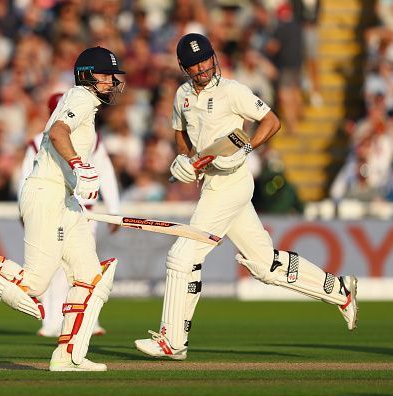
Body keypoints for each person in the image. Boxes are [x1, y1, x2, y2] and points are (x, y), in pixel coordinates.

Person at [134, 33, 358, 360]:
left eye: (207, 59)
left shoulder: (232, 91)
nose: (203, 68)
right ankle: (339, 291)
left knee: (182, 255)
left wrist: (248, 148)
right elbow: (180, 132)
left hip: (233, 182)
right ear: (183, 67)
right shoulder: (181, 95)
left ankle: (173, 340)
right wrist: (184, 158)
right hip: (211, 185)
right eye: (195, 64)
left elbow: (272, 121)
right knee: (264, 265)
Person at [0, 46, 126, 371]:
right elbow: (58, 132)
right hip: (47, 194)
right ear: (87, 75)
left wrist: (78, 175)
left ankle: (69, 356)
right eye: (105, 75)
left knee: (91, 278)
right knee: (32, 287)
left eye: (113, 76)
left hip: (67, 200)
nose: (112, 82)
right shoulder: (81, 97)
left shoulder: (88, 104)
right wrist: (77, 164)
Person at [19, 92, 121, 338]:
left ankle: (88, 321)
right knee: (49, 270)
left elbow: (105, 172)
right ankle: (52, 321)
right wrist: (23, 209)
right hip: (54, 204)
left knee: (86, 269)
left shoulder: (91, 138)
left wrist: (115, 207)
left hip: (84, 209)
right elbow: (27, 175)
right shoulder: (40, 139)